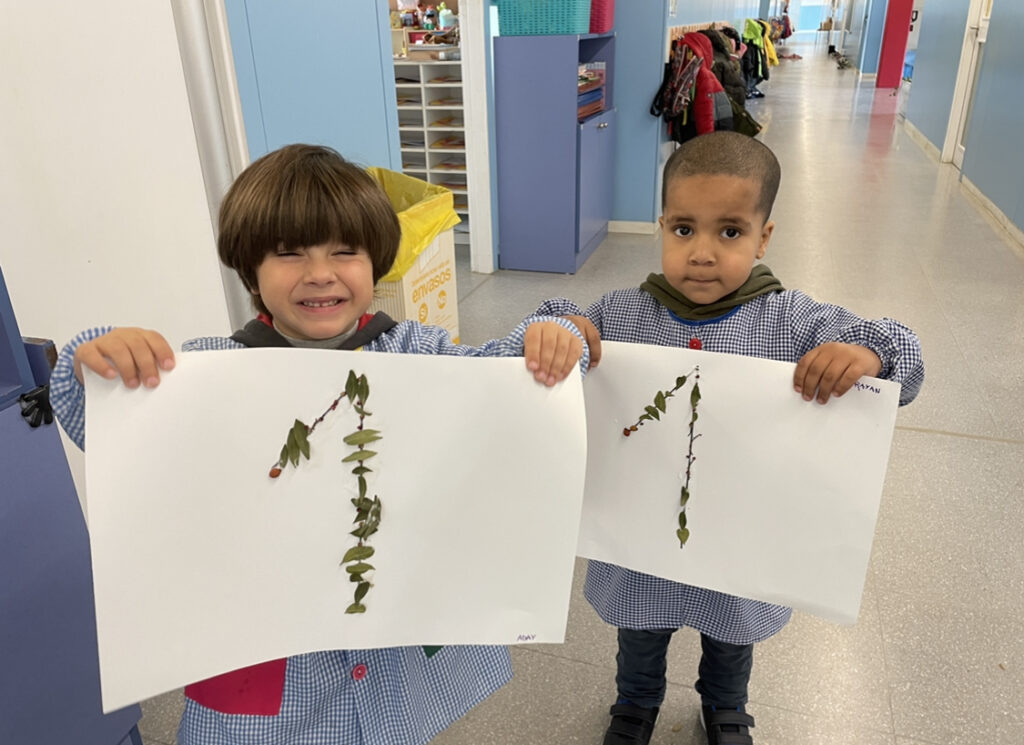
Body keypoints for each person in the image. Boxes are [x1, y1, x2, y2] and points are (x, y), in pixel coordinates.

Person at [49, 144, 589, 745]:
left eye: (345, 251)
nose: (320, 273)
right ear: (250, 269)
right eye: (289, 253)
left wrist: (555, 333)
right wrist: (98, 365)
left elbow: (505, 380)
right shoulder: (209, 374)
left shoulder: (418, 353)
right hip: (271, 671)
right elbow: (103, 429)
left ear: (376, 261)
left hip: (395, 653)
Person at [535, 130, 924, 745]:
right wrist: (561, 329)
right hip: (640, 545)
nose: (702, 253)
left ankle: (725, 706)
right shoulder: (622, 313)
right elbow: (553, 324)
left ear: (764, 237)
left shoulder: (793, 320)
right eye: (683, 229)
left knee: (732, 637)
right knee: (639, 633)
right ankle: (635, 702)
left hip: (741, 545)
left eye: (730, 232)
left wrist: (869, 354)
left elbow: (906, 359)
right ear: (661, 227)